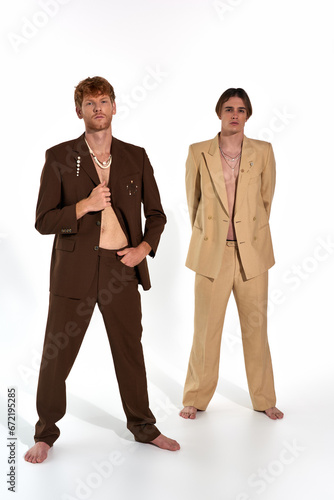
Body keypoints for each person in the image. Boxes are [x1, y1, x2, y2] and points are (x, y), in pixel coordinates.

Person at [24, 76, 180, 464]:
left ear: (114, 107)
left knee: (129, 350)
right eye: (90, 103)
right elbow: (44, 220)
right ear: (79, 111)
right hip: (73, 271)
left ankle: (144, 427)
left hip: (120, 268)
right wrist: (84, 205)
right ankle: (45, 433)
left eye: (104, 101)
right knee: (56, 352)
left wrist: (142, 248)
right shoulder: (59, 156)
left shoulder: (136, 156)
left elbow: (157, 215)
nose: (98, 108)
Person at [180, 88, 283, 421]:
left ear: (248, 115)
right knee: (205, 330)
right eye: (228, 108)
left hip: (252, 253)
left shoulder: (263, 151)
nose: (234, 114)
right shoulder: (198, 152)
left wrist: (247, 233)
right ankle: (195, 397)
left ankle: (264, 399)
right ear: (219, 113)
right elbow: (193, 202)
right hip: (211, 252)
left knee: (256, 329)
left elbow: (265, 201)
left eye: (241, 109)